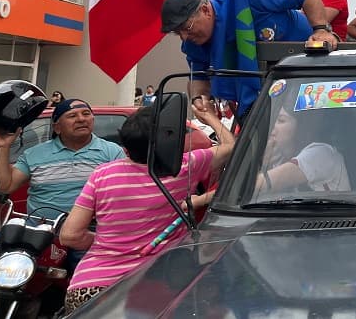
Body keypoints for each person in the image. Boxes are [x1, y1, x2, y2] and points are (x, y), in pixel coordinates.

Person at [59, 97, 235, 314]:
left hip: (88, 288)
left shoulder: (101, 175)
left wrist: (109, 242)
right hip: (146, 288)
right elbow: (230, 146)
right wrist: (209, 117)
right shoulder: (183, 167)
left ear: (125, 148)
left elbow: (69, 235)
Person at [160, 0, 339, 103]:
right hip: (264, 94)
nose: (184, 37)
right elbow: (198, 80)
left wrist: (320, 30)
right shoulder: (194, 43)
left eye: (187, 27)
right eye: (177, 33)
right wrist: (199, 101)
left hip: (312, 72)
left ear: (206, 10)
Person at [0, 99, 125, 217]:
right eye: (72, 116)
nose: (81, 119)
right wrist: (3, 146)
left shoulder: (112, 152)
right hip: (41, 234)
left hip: (91, 234)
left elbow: (124, 193)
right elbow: (6, 186)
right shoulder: (33, 154)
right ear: (57, 127)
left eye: (86, 114)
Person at [257, 108, 351, 194]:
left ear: (302, 126)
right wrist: (265, 164)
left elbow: (260, 186)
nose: (272, 128)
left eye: (281, 120)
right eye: (272, 120)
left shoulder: (320, 154)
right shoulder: (277, 157)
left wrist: (262, 163)